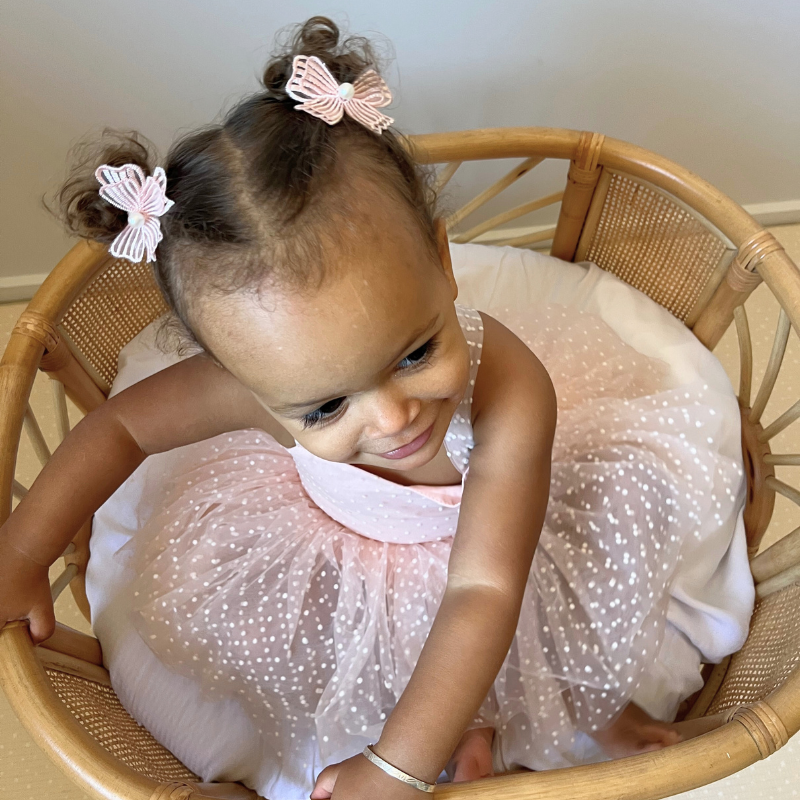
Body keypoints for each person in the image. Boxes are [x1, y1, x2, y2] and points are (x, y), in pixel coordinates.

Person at [0, 17, 751, 800]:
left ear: (443, 260)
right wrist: (23, 551)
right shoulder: (249, 386)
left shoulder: (510, 388)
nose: (394, 420)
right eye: (325, 407)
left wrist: (397, 767)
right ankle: (464, 729)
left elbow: (485, 592)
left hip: (504, 550)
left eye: (416, 353)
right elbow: (118, 427)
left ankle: (581, 708)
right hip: (346, 547)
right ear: (241, 379)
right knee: (314, 649)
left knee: (567, 610)